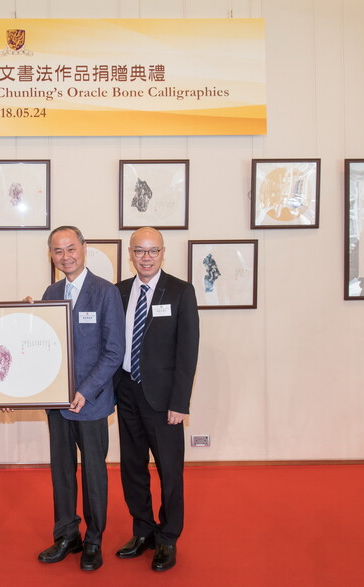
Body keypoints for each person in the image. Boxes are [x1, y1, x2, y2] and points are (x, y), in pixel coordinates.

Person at [35, 226, 125, 572]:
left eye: (71, 248)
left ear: (84, 249)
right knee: (61, 470)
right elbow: (41, 345)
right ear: (51, 256)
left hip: (92, 401)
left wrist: (85, 391)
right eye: (58, 251)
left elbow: (114, 351)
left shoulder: (105, 293)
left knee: (93, 473)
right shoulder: (51, 291)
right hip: (56, 403)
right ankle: (66, 535)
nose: (65, 256)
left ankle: (94, 539)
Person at [113, 227, 200, 572]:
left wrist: (180, 402)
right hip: (126, 392)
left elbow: (187, 351)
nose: (146, 257)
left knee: (169, 471)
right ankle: (143, 530)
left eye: (152, 251)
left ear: (163, 253)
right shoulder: (118, 292)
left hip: (164, 400)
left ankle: (167, 537)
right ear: (130, 254)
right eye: (139, 251)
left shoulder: (180, 291)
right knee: (132, 468)